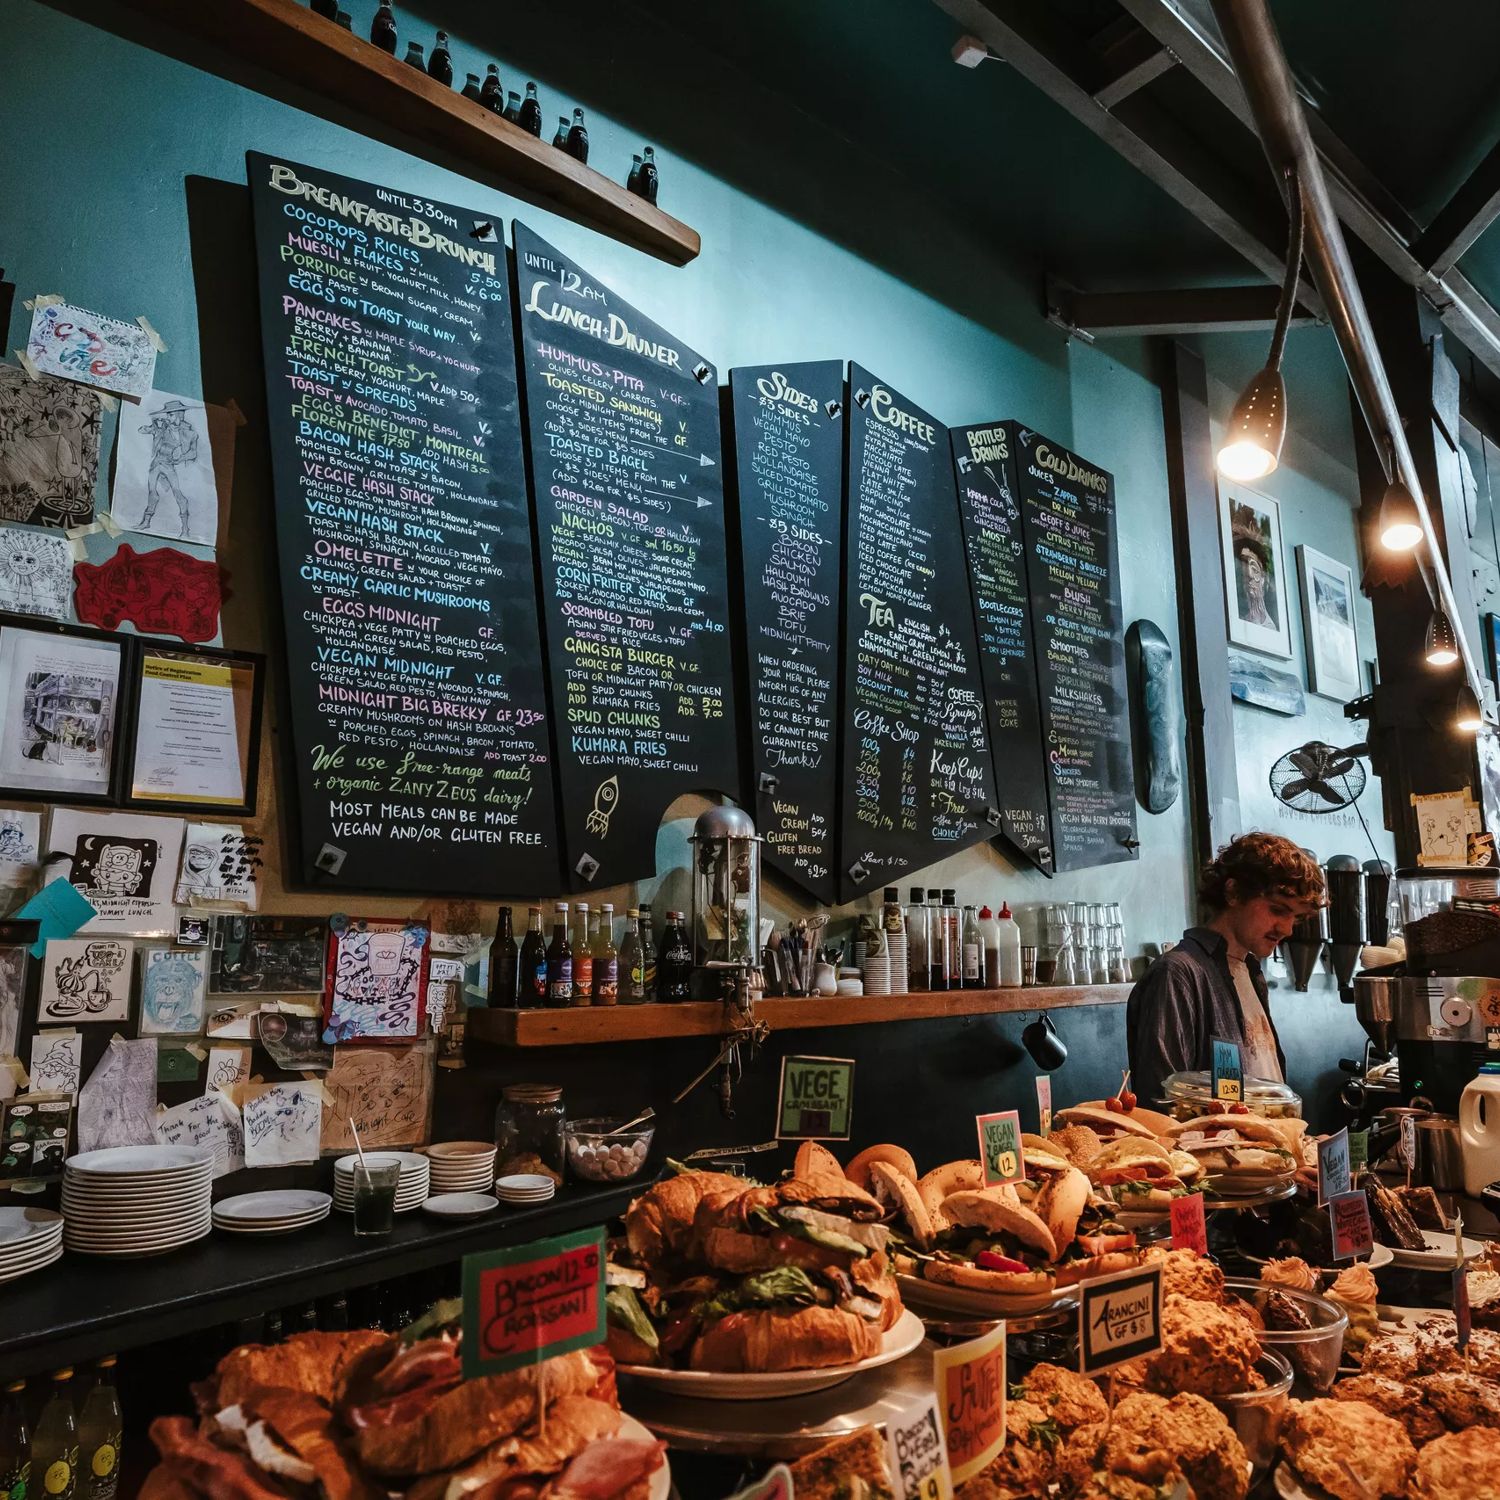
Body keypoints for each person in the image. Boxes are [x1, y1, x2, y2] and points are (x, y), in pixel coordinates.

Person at [1126, 833, 1325, 1109]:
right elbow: (1162, 1105)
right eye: (1278, 910)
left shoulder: (1249, 970)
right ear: (1233, 892)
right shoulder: (1177, 974)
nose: (1288, 929)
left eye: (1296, 917)